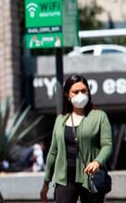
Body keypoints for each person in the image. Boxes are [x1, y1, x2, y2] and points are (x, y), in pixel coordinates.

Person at [40, 74, 113, 203]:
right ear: (68, 95)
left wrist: (97, 162)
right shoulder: (60, 120)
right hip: (64, 179)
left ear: (89, 92)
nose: (80, 94)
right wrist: (46, 183)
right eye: (75, 91)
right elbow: (53, 152)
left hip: (90, 178)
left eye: (84, 91)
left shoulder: (99, 117)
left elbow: (107, 145)